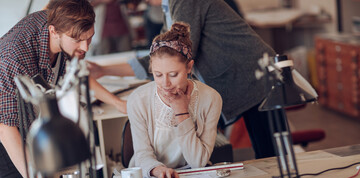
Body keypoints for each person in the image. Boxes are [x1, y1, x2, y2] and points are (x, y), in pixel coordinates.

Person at [88, 0, 277, 160]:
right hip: (240, 76)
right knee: (265, 151)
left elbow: (173, 55)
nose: (148, 4)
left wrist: (105, 70)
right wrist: (104, 70)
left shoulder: (184, 2)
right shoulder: (169, 7)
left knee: (271, 155)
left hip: (253, 75)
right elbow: (162, 56)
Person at [0, 0, 126, 178]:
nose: (85, 47)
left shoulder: (66, 28)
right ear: (53, 31)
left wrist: (117, 102)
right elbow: (6, 127)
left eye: (89, 38)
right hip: (5, 133)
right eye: (78, 40)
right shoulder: (14, 57)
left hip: (25, 123)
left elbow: (76, 72)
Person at [127, 22, 222, 178]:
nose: (165, 83)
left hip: (193, 176)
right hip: (150, 175)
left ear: (189, 67)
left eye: (173, 74)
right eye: (158, 75)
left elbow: (198, 161)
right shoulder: (138, 100)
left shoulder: (211, 98)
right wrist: (158, 170)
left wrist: (182, 112)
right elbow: (142, 154)